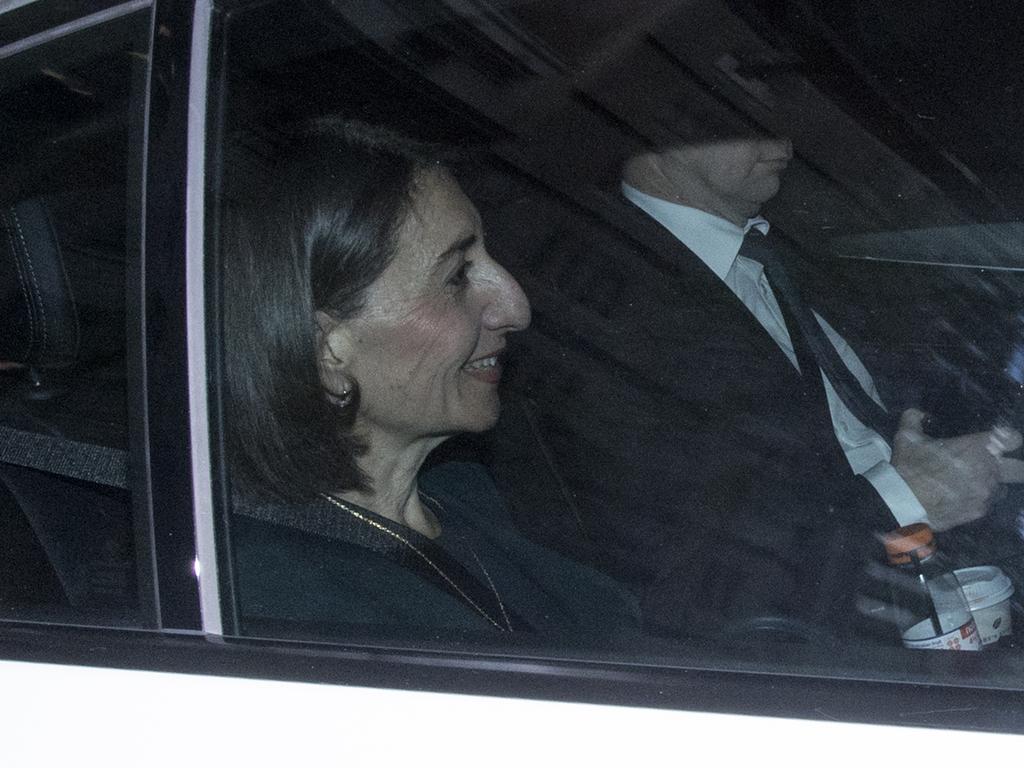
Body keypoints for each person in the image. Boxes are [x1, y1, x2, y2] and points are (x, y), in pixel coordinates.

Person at [487, 121, 1024, 644]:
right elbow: (689, 562)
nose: (785, 140)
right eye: (746, 120)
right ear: (654, 135)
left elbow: (903, 379)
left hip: (945, 558)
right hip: (821, 632)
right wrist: (904, 496)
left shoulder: (783, 238)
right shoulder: (602, 301)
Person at [221, 118, 639, 638]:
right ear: (328, 348)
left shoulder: (469, 498)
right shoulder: (282, 603)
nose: (516, 306)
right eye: (457, 276)